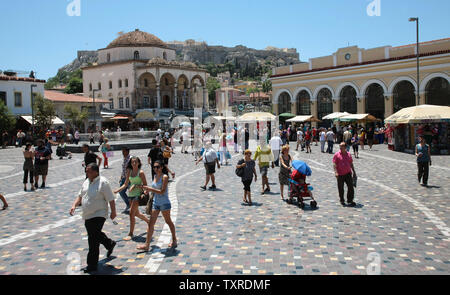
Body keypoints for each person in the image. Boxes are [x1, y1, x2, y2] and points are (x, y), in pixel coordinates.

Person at [69, 163, 117, 273]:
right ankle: (109, 243)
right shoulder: (86, 181)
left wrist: (113, 212)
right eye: (86, 171)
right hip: (87, 215)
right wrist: (74, 205)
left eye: (89, 171)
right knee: (94, 234)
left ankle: (92, 264)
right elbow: (80, 196)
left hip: (99, 214)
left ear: (95, 172)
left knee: (92, 239)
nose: (87, 173)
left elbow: (111, 199)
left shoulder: (103, 183)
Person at [137, 160, 177, 251]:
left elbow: (162, 191)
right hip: (156, 203)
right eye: (154, 167)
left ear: (162, 167)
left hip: (164, 203)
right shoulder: (155, 176)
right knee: (151, 223)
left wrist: (149, 189)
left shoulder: (165, 177)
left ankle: (174, 239)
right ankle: (146, 245)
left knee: (168, 221)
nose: (156, 169)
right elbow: (154, 188)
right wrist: (146, 191)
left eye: (157, 167)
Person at [114, 157, 150, 241]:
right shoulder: (129, 172)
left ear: (138, 163)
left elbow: (145, 185)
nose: (134, 163)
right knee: (136, 213)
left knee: (131, 213)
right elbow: (126, 184)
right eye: (132, 162)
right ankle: (149, 222)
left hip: (138, 194)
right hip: (130, 195)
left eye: (135, 162)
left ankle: (130, 233)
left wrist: (136, 186)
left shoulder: (140, 173)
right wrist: (117, 190)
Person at [333, 142, 357, 207]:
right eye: (340, 146)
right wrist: (336, 172)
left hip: (348, 173)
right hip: (340, 174)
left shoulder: (349, 154)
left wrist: (354, 171)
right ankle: (342, 200)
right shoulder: (337, 154)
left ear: (345, 147)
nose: (340, 147)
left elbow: (351, 163)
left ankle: (350, 200)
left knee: (351, 187)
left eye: (342, 146)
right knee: (340, 188)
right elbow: (334, 164)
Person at [119, 147, 131, 213]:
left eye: (124, 151)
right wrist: (121, 177)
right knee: (121, 192)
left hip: (129, 178)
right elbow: (124, 168)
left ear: (127, 151)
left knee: (132, 192)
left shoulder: (130, 159)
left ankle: (132, 206)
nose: (122, 153)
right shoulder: (125, 158)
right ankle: (128, 203)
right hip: (124, 178)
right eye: (122, 151)